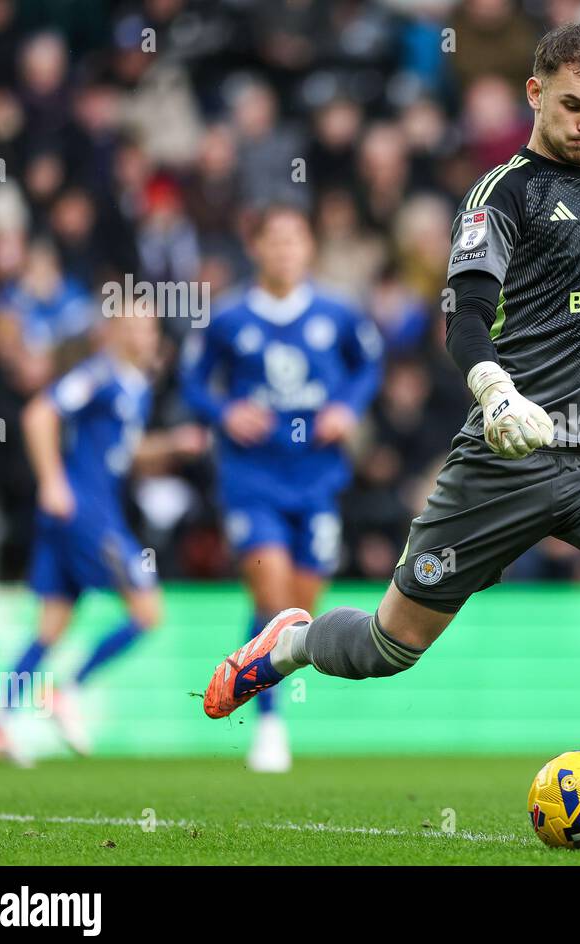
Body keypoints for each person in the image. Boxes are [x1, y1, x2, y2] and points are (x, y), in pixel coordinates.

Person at [200, 23, 580, 844]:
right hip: (505, 460)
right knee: (390, 645)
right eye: (572, 105)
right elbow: (463, 314)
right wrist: (494, 391)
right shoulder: (504, 194)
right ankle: (295, 643)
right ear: (535, 94)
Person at [181, 204, 383, 772]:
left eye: (295, 241)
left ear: (309, 249)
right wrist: (226, 412)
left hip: (317, 476)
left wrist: (346, 408)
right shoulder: (229, 319)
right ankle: (269, 724)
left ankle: (254, 694)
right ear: (257, 249)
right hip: (252, 478)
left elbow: (369, 365)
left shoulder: (336, 314)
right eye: (275, 242)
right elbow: (193, 381)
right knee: (273, 599)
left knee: (299, 612)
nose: (285, 252)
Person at [0, 308, 206, 765]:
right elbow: (40, 414)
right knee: (147, 610)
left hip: (83, 513)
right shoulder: (98, 373)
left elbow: (125, 450)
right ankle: (68, 690)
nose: (143, 335)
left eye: (149, 326)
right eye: (134, 326)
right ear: (114, 331)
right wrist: (53, 481)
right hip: (87, 514)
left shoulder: (135, 387)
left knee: (50, 626)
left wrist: (172, 444)